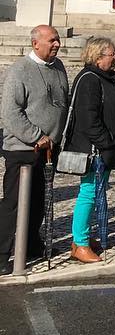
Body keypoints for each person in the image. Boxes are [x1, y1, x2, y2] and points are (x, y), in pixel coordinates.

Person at [0, 25, 68, 274]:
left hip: (49, 148)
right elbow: (10, 113)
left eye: (58, 39)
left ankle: (30, 244)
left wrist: (55, 138)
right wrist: (36, 136)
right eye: (52, 40)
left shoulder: (58, 67)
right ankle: (1, 255)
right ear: (35, 43)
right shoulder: (20, 70)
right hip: (23, 148)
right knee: (14, 203)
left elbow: (62, 103)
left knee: (39, 201)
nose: (57, 44)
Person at [66, 37, 115, 263]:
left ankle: (82, 238)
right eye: (112, 54)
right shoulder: (89, 79)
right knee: (88, 193)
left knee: (95, 193)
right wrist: (107, 142)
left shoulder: (103, 77)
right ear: (98, 57)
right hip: (95, 150)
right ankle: (80, 243)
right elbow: (88, 120)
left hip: (103, 149)